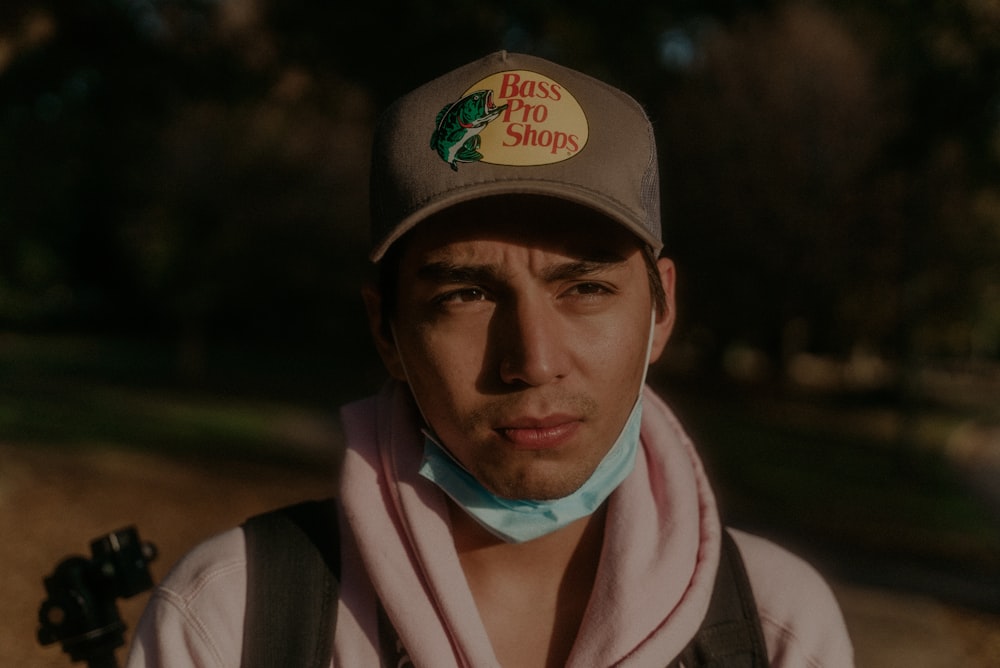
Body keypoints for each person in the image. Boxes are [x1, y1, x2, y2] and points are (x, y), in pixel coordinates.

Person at [125, 51, 854, 667]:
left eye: (587, 287)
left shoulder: (775, 626)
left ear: (661, 310)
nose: (532, 362)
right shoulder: (234, 617)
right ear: (387, 330)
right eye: (467, 294)